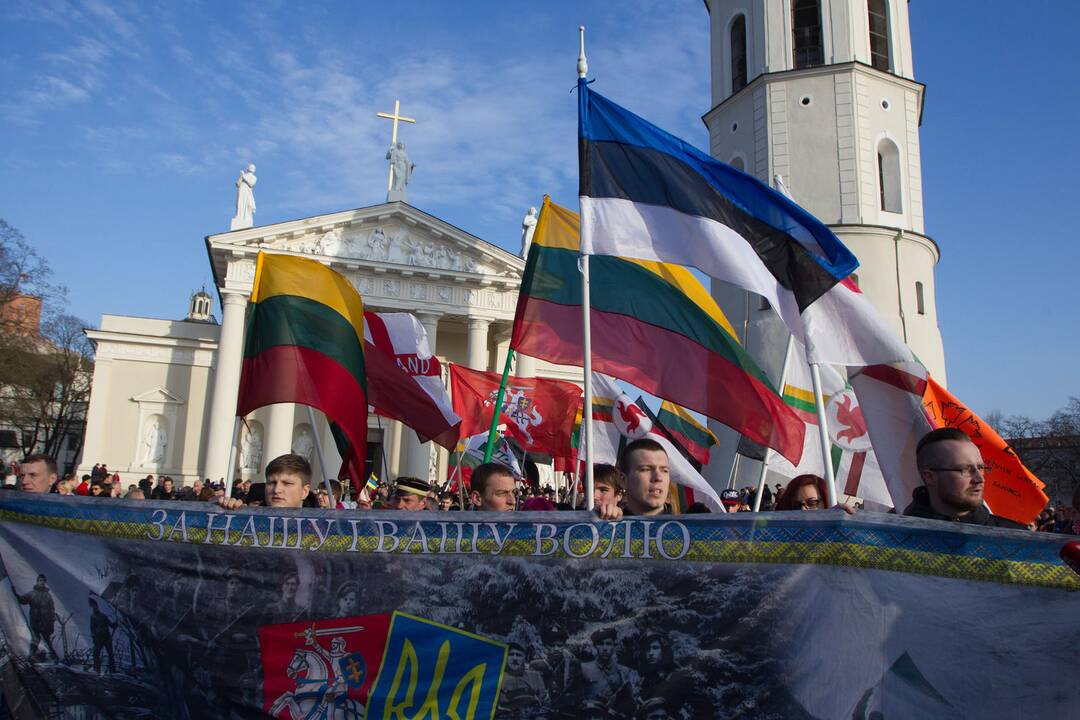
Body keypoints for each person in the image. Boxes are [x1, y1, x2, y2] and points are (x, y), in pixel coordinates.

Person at [904, 428, 1026, 529]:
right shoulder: (894, 534)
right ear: (930, 477)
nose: (979, 479)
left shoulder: (1016, 538)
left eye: (981, 468)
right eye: (965, 470)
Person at [216, 454, 313, 510]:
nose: (277, 490)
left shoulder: (320, 529)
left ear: (304, 492)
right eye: (272, 483)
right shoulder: (247, 519)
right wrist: (225, 513)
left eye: (287, 483)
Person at [579, 627, 637, 707]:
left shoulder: (624, 671)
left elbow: (630, 700)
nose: (605, 648)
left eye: (608, 644)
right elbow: (577, 698)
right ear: (595, 646)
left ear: (614, 645)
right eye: (600, 644)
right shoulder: (584, 669)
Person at [618, 439, 671, 517]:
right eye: (646, 469)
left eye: (664, 470)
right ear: (623, 480)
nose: (658, 477)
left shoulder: (691, 527)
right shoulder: (606, 526)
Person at [17, 574, 58, 661]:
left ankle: (54, 657)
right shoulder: (32, 594)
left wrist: (52, 621)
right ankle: (30, 657)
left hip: (45, 622)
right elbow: (22, 600)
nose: (42, 582)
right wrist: (15, 594)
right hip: (35, 621)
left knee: (47, 640)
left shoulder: (48, 596)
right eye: (40, 580)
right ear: (37, 581)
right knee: (36, 639)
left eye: (43, 580)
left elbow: (52, 610)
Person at [498, 641, 547, 712]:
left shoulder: (535, 676)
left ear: (524, 658)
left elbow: (544, 702)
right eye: (511, 654)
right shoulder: (496, 678)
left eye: (519, 655)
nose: (515, 658)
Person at [88, 597, 117, 674]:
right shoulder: (92, 617)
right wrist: (94, 637)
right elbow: (92, 628)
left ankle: (112, 671)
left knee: (110, 654)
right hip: (98, 639)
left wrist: (114, 625)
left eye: (95, 606)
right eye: (93, 607)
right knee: (96, 654)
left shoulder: (103, 616)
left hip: (106, 637)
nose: (95, 608)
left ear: (97, 607)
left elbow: (110, 624)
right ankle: (97, 670)